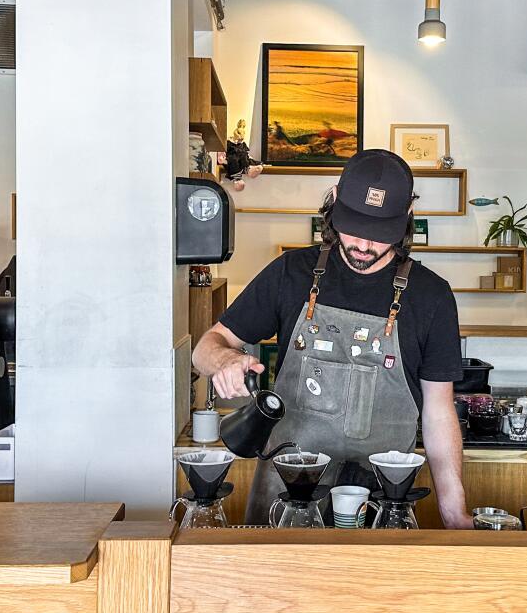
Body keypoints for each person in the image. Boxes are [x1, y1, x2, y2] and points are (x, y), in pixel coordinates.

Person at [193, 149, 471, 528]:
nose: (362, 245)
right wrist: (225, 360)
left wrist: (454, 513)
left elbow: (438, 410)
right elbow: (206, 347)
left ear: (406, 217)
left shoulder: (432, 297)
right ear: (336, 201)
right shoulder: (291, 272)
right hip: (284, 498)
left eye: (378, 237)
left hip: (382, 504)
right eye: (353, 227)